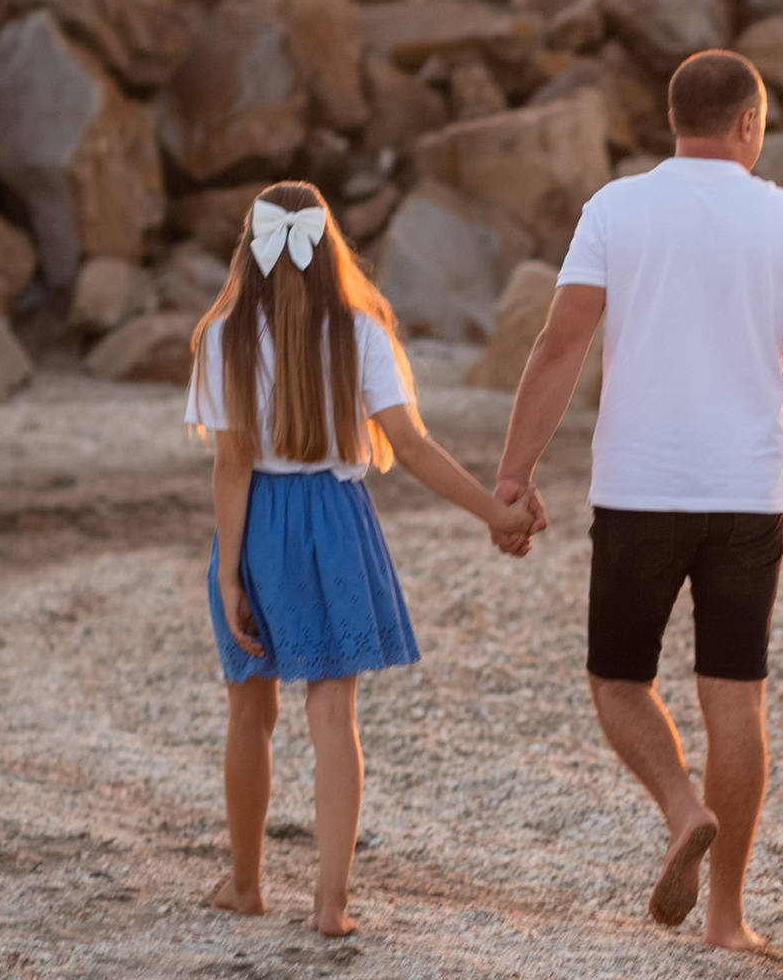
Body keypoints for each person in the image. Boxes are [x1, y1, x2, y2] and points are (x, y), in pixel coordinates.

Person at [494, 50, 783, 952]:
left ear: (673, 121)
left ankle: (682, 804)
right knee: (737, 698)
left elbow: (558, 344)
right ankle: (728, 919)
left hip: (638, 490)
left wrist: (515, 472)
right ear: (749, 123)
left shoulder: (616, 209)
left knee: (619, 681)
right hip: (747, 497)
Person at [189, 181, 537, 936]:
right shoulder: (360, 330)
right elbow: (410, 446)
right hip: (336, 520)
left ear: (250, 246)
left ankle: (246, 885)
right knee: (332, 710)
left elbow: (231, 464)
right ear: (330, 246)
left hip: (258, 523)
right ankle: (329, 903)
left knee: (251, 708)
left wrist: (228, 570)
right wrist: (495, 509)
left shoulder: (224, 335)